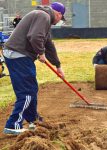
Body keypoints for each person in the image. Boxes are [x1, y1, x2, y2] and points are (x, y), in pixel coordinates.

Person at [2, 2, 66, 135]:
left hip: (17, 54)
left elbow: (48, 44)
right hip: (19, 55)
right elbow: (35, 37)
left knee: (31, 88)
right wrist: (41, 53)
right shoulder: (43, 16)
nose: (60, 21)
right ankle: (13, 124)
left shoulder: (43, 18)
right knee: (27, 92)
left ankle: (33, 120)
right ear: (58, 14)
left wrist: (58, 65)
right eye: (61, 18)